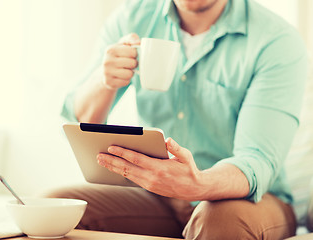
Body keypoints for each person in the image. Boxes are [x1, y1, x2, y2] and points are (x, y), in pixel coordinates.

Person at [51, 0, 308, 239]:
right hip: (159, 197)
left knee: (219, 220)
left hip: (251, 199)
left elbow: (258, 160)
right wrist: (103, 81)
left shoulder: (275, 40)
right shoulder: (133, 16)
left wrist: (198, 184)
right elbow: (77, 126)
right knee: (54, 208)